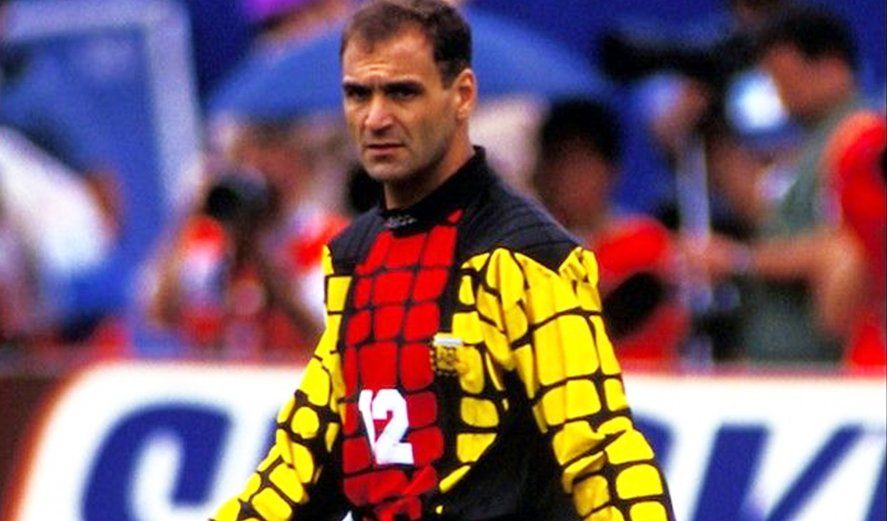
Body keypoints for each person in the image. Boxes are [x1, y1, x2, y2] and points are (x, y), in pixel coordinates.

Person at [213, 1, 673, 520]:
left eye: (402, 92)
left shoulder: (525, 256)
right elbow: (301, 464)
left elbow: (600, 452)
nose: (376, 117)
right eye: (358, 94)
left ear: (462, 96)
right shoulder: (353, 258)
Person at [685, 6, 883, 364]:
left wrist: (738, 259)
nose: (782, 96)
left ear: (831, 67)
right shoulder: (816, 141)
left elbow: (846, 248)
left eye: (788, 80)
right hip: (783, 361)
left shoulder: (860, 139)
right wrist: (708, 133)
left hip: (824, 364)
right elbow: (777, 221)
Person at [146, 119, 345, 358]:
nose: (259, 166)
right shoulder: (212, 237)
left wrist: (258, 253)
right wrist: (190, 214)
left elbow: (324, 334)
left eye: (272, 152)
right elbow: (160, 314)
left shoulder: (330, 239)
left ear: (301, 165)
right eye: (247, 155)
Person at [532, 97, 689, 365]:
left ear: (610, 170)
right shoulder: (526, 248)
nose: (568, 179)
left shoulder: (646, 242)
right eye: (558, 164)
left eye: (581, 164)